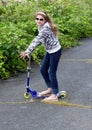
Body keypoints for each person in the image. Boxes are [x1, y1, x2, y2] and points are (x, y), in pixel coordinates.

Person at [20, 11, 62, 101]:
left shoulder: (46, 28)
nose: (38, 21)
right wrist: (30, 50)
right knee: (43, 69)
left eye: (41, 19)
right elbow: (39, 41)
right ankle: (50, 88)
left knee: (52, 72)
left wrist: (28, 50)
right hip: (49, 51)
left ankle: (54, 95)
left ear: (45, 20)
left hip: (55, 51)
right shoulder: (40, 27)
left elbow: (37, 39)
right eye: (37, 19)